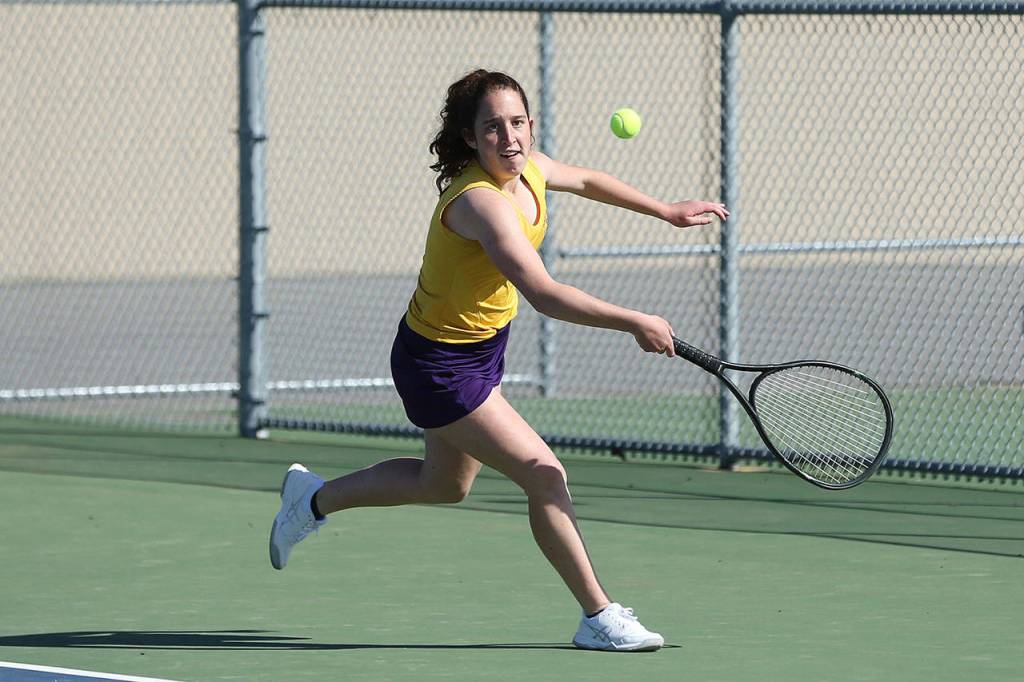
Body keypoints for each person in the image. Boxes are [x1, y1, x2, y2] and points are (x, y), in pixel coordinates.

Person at [269, 69, 729, 652]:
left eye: (517, 123)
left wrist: (665, 210)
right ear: (470, 137)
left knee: (444, 485)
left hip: (480, 350)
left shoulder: (528, 170)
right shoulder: (479, 203)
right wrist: (634, 320)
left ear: (530, 126)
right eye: (492, 128)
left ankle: (309, 500)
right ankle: (598, 616)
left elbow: (586, 178)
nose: (508, 138)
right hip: (439, 364)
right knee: (544, 473)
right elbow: (542, 291)